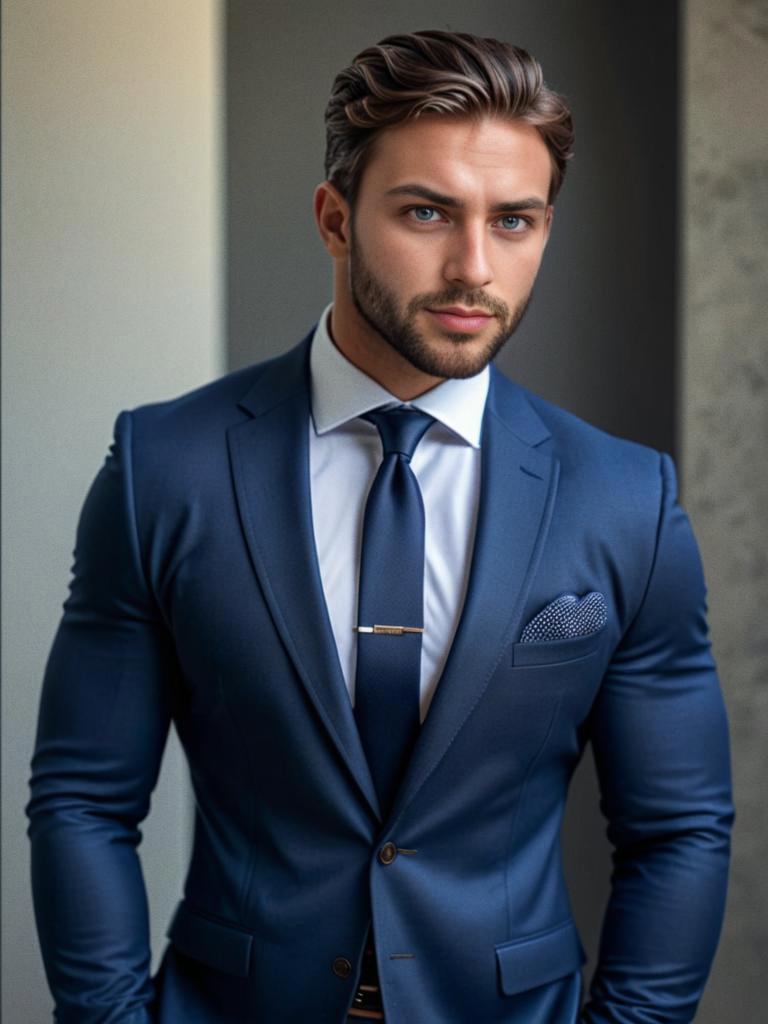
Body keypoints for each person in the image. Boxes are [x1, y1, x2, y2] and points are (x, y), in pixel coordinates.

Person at [27, 29, 733, 1024]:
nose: (473, 266)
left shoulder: (626, 500)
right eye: (426, 212)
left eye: (516, 220)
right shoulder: (165, 469)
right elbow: (84, 802)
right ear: (335, 218)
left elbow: (679, 828)